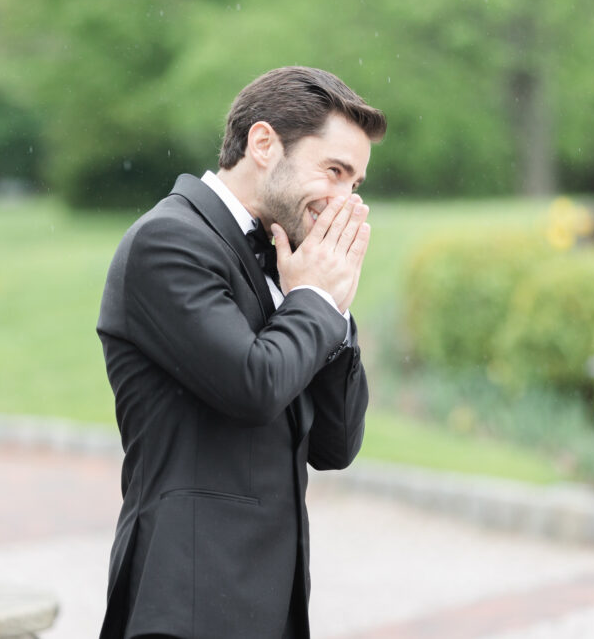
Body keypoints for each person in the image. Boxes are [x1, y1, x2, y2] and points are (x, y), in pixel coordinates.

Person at [96, 66, 387, 639]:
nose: (345, 203)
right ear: (263, 143)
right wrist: (314, 300)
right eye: (334, 171)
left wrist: (334, 310)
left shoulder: (287, 261)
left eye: (355, 185)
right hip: (187, 601)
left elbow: (335, 444)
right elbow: (254, 385)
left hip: (271, 608)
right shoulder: (169, 241)